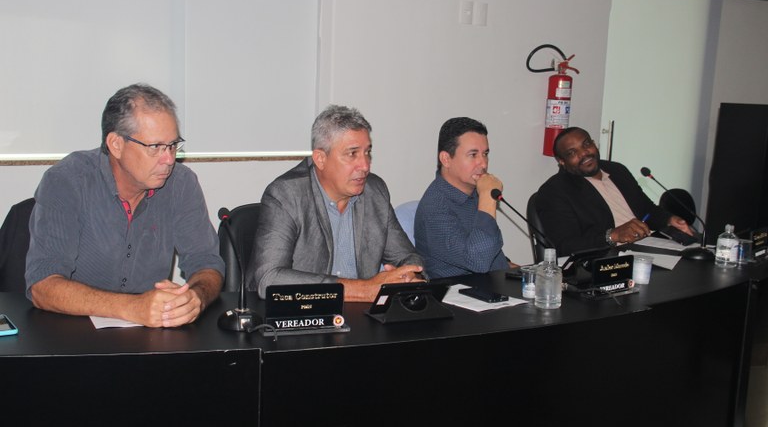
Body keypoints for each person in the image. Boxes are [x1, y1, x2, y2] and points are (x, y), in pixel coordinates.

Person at [25, 84, 225, 327]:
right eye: (156, 147)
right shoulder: (67, 181)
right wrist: (132, 307)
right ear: (116, 145)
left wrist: (195, 298)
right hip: (72, 332)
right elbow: (42, 286)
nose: (169, 159)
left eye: (173, 145)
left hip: (149, 335)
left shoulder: (181, 183)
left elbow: (207, 263)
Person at [247, 104, 424, 302]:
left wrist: (408, 276)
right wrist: (362, 290)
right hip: (301, 313)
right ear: (320, 159)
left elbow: (408, 258)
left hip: (359, 314)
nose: (365, 165)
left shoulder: (375, 192)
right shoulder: (286, 195)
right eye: (352, 154)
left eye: (367, 152)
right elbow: (269, 279)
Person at [535, 126, 694, 256]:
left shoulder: (617, 170)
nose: (584, 153)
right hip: (605, 261)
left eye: (586, 144)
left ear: (594, 144)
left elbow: (647, 210)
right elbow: (565, 246)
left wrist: (669, 219)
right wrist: (613, 236)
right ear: (562, 162)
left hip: (648, 248)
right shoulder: (555, 192)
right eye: (572, 153)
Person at [414, 117, 513, 278]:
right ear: (446, 159)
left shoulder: (474, 191)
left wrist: (508, 266)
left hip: (494, 284)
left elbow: (486, 248)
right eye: (473, 155)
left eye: (485, 154)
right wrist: (487, 198)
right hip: (461, 291)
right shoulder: (435, 208)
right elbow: (478, 262)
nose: (483, 163)